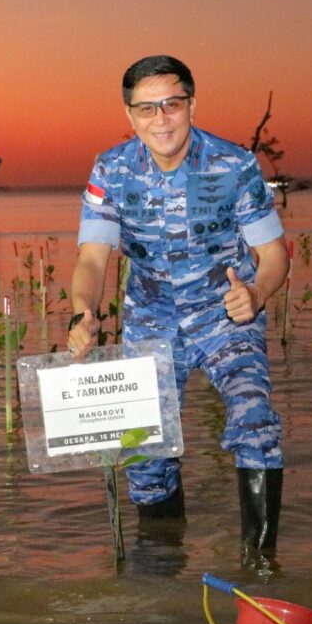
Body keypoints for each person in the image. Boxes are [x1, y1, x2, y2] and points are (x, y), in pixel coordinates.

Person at [67, 55, 290, 553]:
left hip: (227, 314)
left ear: (192, 103)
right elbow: (92, 260)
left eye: (172, 104)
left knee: (255, 420)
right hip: (151, 320)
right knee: (146, 454)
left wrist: (256, 293)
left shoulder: (234, 164)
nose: (160, 119)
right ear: (129, 115)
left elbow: (273, 255)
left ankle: (261, 564)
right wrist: (84, 310)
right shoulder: (112, 169)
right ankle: (162, 574)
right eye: (146, 109)